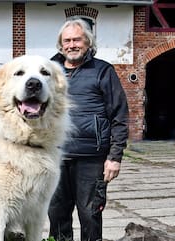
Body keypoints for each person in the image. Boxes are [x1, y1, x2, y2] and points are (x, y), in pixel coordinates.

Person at [48, 18, 129, 241]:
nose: (71, 45)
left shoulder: (103, 71)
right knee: (56, 215)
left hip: (91, 159)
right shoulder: (49, 71)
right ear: (60, 44)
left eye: (77, 39)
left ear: (88, 42)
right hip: (56, 156)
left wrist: (115, 157)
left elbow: (119, 116)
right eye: (67, 40)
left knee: (90, 215)